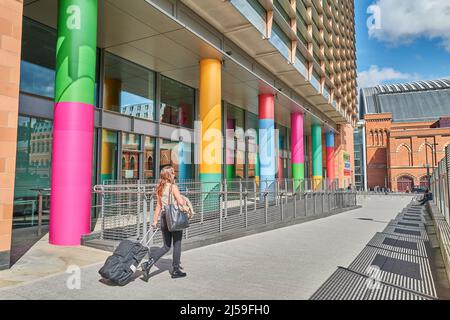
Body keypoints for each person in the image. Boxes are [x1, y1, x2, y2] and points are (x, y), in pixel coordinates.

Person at [141, 166, 187, 281]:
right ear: (168, 175)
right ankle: (175, 270)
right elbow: (180, 202)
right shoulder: (173, 187)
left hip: (163, 218)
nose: (174, 174)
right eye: (173, 173)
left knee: (166, 246)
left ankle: (148, 264)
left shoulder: (159, 188)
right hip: (173, 218)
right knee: (177, 244)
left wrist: (155, 221)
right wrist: (183, 201)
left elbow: (158, 206)